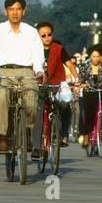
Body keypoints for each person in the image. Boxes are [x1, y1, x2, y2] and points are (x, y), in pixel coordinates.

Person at [0, 0, 45, 153]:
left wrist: (39, 69)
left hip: (26, 72)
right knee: (2, 99)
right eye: (11, 9)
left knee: (32, 100)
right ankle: (3, 139)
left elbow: (38, 53)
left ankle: (25, 131)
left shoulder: (31, 32)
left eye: (18, 9)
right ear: (6, 11)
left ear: (23, 11)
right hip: (3, 72)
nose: (15, 12)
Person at [31, 22, 80, 160]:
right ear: (38, 36)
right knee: (38, 113)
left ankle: (58, 135)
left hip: (55, 85)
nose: (47, 37)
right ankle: (36, 147)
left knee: (61, 108)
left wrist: (77, 79)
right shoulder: (33, 49)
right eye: (43, 35)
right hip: (39, 85)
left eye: (49, 34)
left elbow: (69, 64)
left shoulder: (58, 49)